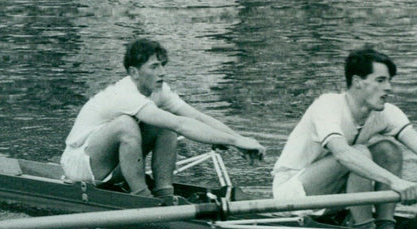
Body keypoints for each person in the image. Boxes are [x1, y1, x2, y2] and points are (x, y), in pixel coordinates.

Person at [272, 46, 417, 229]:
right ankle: (365, 228)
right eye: (380, 80)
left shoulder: (386, 112)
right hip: (294, 194)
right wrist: (395, 182)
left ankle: (385, 225)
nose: (388, 88)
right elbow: (343, 154)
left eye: (389, 81)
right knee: (359, 152)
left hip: (334, 194)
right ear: (357, 82)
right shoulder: (327, 105)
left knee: (389, 149)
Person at [61, 38, 265, 199]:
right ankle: (142, 197)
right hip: (80, 167)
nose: (162, 73)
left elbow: (196, 117)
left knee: (165, 125)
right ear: (134, 72)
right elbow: (182, 124)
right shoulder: (124, 94)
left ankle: (164, 193)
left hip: (109, 166)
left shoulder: (159, 90)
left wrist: (239, 141)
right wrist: (234, 141)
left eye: (162, 66)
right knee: (127, 124)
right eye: (154, 67)